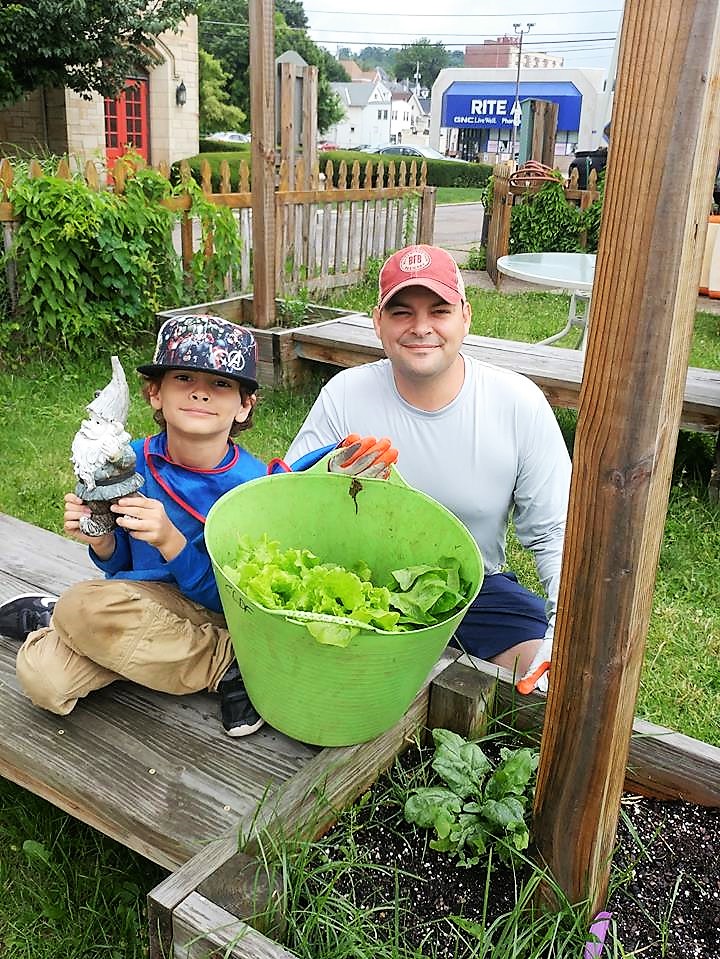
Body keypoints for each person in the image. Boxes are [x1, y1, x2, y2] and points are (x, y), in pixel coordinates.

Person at [0, 314, 394, 737]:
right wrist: (101, 541)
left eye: (221, 383)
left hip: (214, 612)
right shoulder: (127, 461)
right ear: (156, 393)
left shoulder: (252, 489)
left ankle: (223, 662)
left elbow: (231, 598)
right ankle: (96, 631)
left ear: (245, 404)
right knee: (45, 680)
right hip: (133, 599)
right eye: (184, 377)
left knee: (81, 608)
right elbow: (118, 570)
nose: (201, 393)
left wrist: (172, 542)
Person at [285, 244, 572, 692]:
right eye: (401, 313)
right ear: (378, 322)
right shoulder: (345, 394)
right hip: (356, 588)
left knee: (558, 676)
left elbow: (555, 532)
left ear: (465, 316)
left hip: (471, 592)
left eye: (439, 310)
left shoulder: (518, 403)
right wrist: (329, 478)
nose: (421, 328)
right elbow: (289, 498)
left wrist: (564, 626)